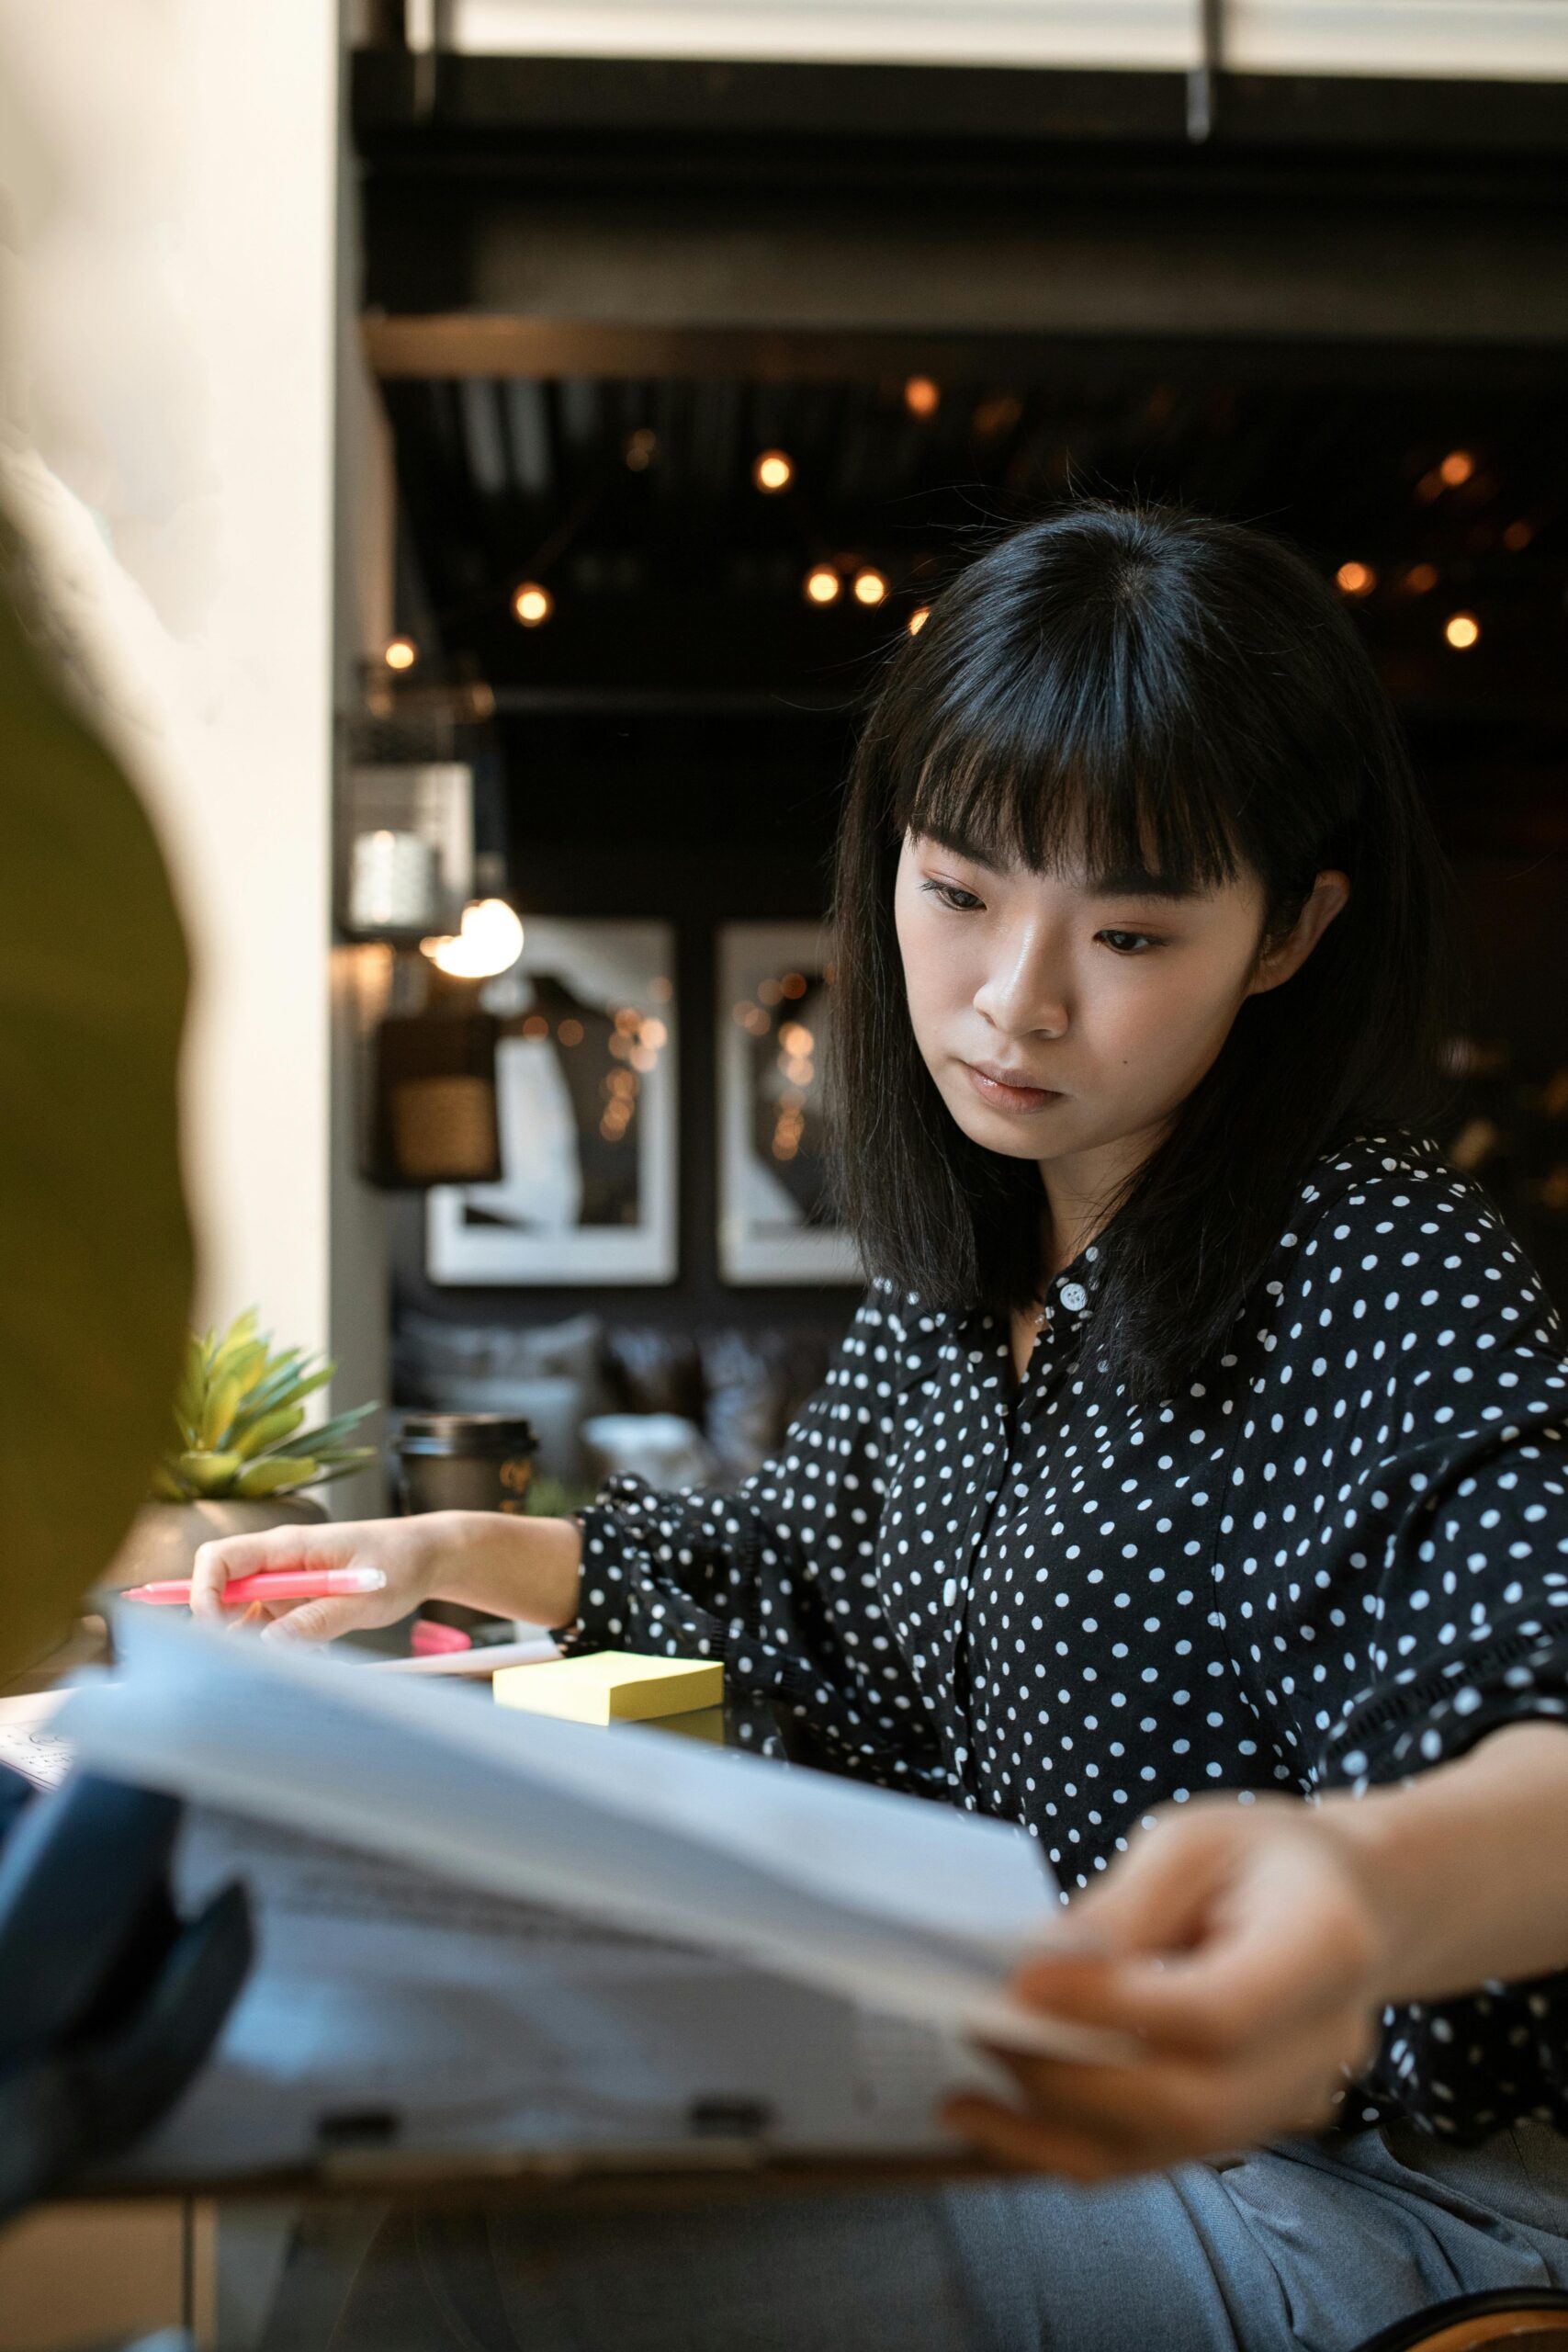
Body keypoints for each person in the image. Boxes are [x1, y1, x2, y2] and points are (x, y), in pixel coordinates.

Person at [195, 503, 1568, 2351]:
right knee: (400, 2148)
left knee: (485, 2246)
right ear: (886, 858)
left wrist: (1353, 1888)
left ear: (1288, 930)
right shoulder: (960, 1282)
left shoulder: (1372, 1253)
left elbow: (1537, 1731)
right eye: (959, 887)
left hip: (1378, 2187)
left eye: (1133, 925)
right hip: (1032, 2085)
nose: (1017, 996)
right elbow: (783, 1593)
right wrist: (441, 1556)